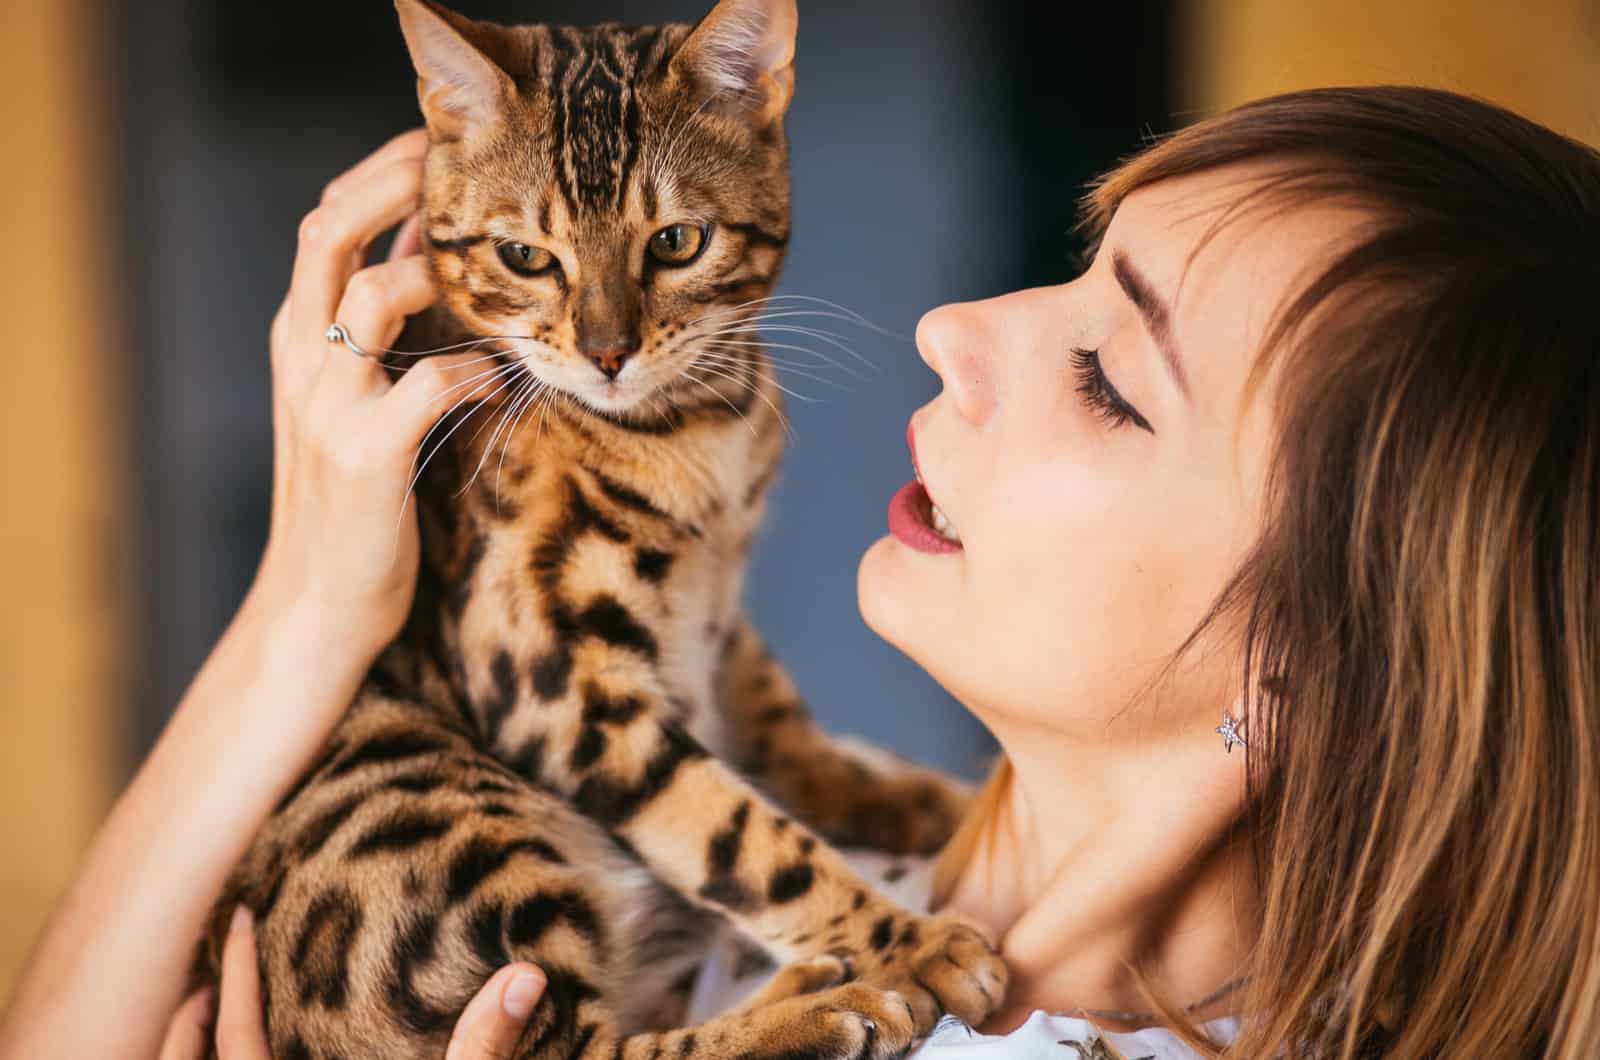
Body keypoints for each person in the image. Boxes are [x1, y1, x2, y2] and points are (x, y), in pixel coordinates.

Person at [3, 83, 1597, 1059]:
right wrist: (309, 602)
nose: (953, 330)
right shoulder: (874, 909)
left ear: (1309, 667)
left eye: (1115, 378)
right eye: (1073, 273)